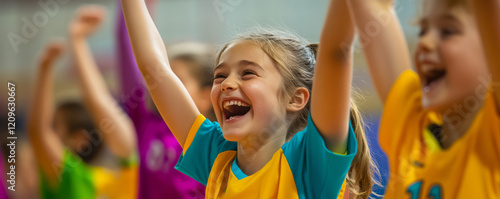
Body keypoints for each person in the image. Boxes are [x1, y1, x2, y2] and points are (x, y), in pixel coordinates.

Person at [120, 0, 377, 198]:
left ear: (296, 98)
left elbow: (336, 53)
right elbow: (154, 68)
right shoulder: (218, 157)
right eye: (219, 75)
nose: (227, 83)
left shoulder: (310, 164)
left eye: (248, 73)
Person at [346, 0, 500, 198]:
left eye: (448, 31)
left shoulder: (492, 138)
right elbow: (373, 5)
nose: (424, 43)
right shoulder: (412, 126)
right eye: (422, 31)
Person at [27, 6, 138, 199]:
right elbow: (39, 132)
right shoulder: (122, 176)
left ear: (80, 139)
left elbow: (38, 131)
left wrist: (46, 67)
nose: (49, 136)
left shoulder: (75, 178)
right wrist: (76, 39)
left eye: (55, 127)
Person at [116, 0, 211, 197]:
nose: (162, 85)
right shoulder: (148, 122)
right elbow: (139, 58)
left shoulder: (212, 141)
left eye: (177, 80)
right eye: (165, 78)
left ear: (206, 96)